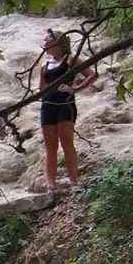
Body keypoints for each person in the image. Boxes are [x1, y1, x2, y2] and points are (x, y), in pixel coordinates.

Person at [38, 29, 96, 192]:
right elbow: (41, 88)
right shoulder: (44, 66)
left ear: (57, 41)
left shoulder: (71, 59)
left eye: (47, 38)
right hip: (47, 106)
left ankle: (74, 182)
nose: (44, 42)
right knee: (50, 148)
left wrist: (75, 88)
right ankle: (51, 185)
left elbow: (92, 74)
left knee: (67, 143)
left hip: (65, 104)